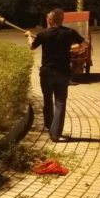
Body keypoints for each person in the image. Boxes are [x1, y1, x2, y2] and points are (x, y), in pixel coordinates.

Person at [26, 9, 88, 142]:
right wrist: (72, 48)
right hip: (63, 72)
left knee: (47, 99)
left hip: (47, 72)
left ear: (50, 20)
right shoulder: (69, 32)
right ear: (62, 19)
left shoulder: (43, 34)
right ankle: (55, 133)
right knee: (60, 102)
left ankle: (49, 126)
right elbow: (84, 45)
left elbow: (32, 46)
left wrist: (29, 36)